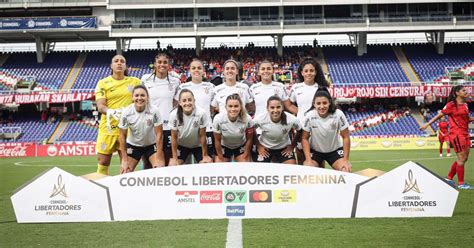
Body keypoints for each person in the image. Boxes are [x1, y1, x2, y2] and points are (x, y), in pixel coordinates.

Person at [94, 54, 141, 175]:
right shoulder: (103, 83)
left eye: (122, 61)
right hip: (108, 128)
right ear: (111, 65)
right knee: (103, 162)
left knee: (127, 165)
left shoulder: (135, 82)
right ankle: (102, 190)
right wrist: (111, 111)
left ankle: (124, 192)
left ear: (125, 66)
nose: (119, 63)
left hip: (128, 129)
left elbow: (143, 100)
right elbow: (100, 106)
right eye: (116, 61)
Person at [421, 85, 473, 189]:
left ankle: (449, 178)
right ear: (457, 93)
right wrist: (427, 125)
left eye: (466, 90)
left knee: (464, 158)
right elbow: (439, 115)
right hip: (457, 134)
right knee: (461, 158)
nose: (466, 91)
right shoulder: (451, 105)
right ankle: (461, 184)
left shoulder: (465, 105)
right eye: (463, 90)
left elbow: (467, 119)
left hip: (465, 133)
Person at [141, 53, 180, 166]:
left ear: (169, 65)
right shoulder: (145, 79)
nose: (162, 64)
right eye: (159, 62)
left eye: (165, 62)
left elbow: (176, 103)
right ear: (154, 64)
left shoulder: (175, 81)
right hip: (149, 127)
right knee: (149, 162)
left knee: (167, 162)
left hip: (167, 127)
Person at [301, 88, 352, 172]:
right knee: (308, 170)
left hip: (335, 151)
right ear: (314, 104)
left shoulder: (338, 114)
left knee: (345, 170)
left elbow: (346, 137)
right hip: (316, 152)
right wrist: (308, 160)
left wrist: (345, 160)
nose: (322, 106)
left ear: (329, 102)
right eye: (318, 103)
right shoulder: (309, 116)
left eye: (324, 103)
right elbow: (304, 138)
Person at [118, 85, 165, 173]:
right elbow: (122, 136)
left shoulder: (154, 111)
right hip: (133, 146)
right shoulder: (126, 112)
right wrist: (124, 160)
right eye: (137, 95)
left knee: (160, 169)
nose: (139, 98)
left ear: (147, 97)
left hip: (151, 145)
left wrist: (158, 156)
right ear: (132, 97)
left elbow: (159, 134)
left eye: (142, 95)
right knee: (125, 172)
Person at [175, 59, 215, 158]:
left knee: (206, 162)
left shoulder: (211, 87)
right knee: (184, 167)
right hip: (187, 129)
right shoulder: (182, 87)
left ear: (203, 71)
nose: (196, 70)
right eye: (193, 68)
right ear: (190, 70)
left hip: (207, 128)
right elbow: (177, 105)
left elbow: (213, 107)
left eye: (199, 68)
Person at [168, 89, 213, 165]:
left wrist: (205, 155)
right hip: (182, 146)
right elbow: (174, 137)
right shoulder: (174, 115)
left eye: (189, 100)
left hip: (197, 146)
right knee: (173, 165)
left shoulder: (201, 113)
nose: (187, 103)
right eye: (184, 101)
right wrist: (175, 158)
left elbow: (202, 135)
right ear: (179, 103)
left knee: (207, 163)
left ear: (194, 101)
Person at [253, 96, 301, 164]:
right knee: (259, 170)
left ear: (282, 107)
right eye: (272, 107)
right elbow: (250, 130)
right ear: (267, 108)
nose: (275, 110)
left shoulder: (292, 119)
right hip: (265, 148)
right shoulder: (260, 119)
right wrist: (259, 146)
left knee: (291, 166)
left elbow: (300, 130)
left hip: (284, 148)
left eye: (278, 107)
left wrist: (292, 146)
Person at [213, 94, 254, 162]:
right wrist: (220, 158)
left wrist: (245, 155)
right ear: (226, 107)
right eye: (230, 106)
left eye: (236, 106)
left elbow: (249, 139)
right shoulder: (218, 119)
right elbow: (217, 141)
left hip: (240, 146)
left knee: (244, 167)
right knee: (220, 168)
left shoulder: (247, 119)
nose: (233, 109)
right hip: (224, 146)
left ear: (240, 107)